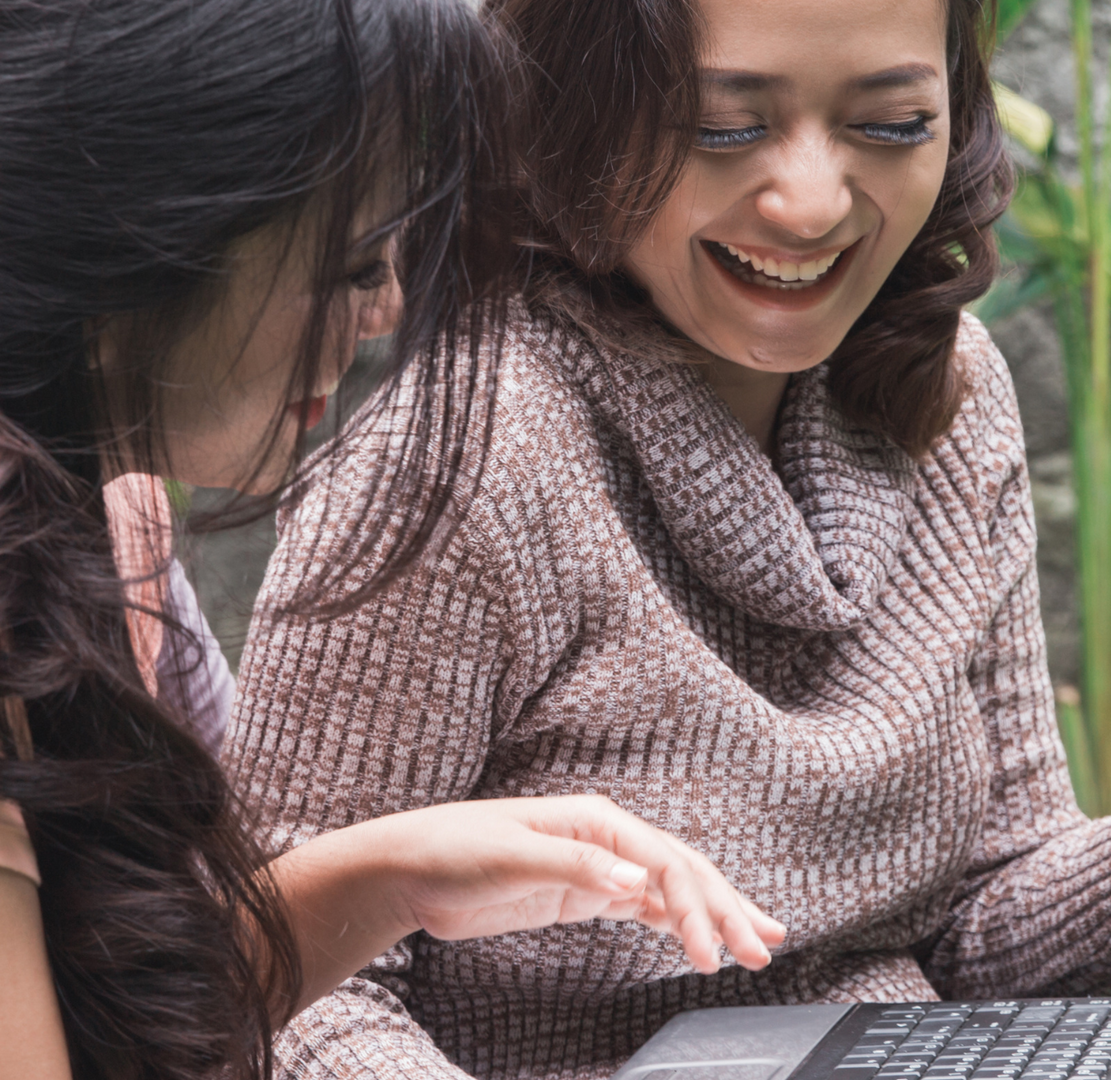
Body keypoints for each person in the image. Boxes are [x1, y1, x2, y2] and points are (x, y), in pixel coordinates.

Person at [224, 0, 1111, 1078]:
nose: (812, 200)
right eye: (726, 126)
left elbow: (977, 958)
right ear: (570, 116)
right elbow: (272, 996)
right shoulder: (455, 465)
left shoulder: (948, 393)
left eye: (891, 124)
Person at [0, 2, 783, 1079]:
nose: (386, 311)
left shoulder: (109, 518)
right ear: (143, 234)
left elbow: (117, 1025)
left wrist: (389, 878)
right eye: (354, 262)